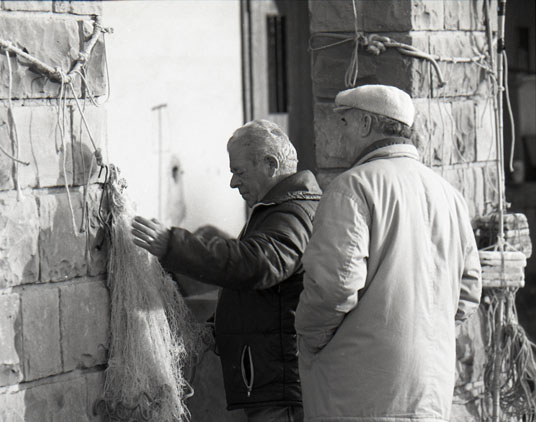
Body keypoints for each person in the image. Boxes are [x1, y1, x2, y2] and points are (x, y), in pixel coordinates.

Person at [295, 84, 482, 421]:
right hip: (430, 390)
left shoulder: (353, 186)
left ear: (366, 124)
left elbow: (333, 287)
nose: (338, 135)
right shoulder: (449, 194)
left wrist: (309, 337)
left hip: (359, 393)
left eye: (344, 122)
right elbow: (468, 291)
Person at [131, 119, 322, 422]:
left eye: (239, 171)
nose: (233, 182)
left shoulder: (290, 213)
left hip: (280, 385)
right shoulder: (281, 210)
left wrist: (173, 245)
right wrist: (217, 327)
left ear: (271, 164)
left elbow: (257, 265)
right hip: (275, 379)